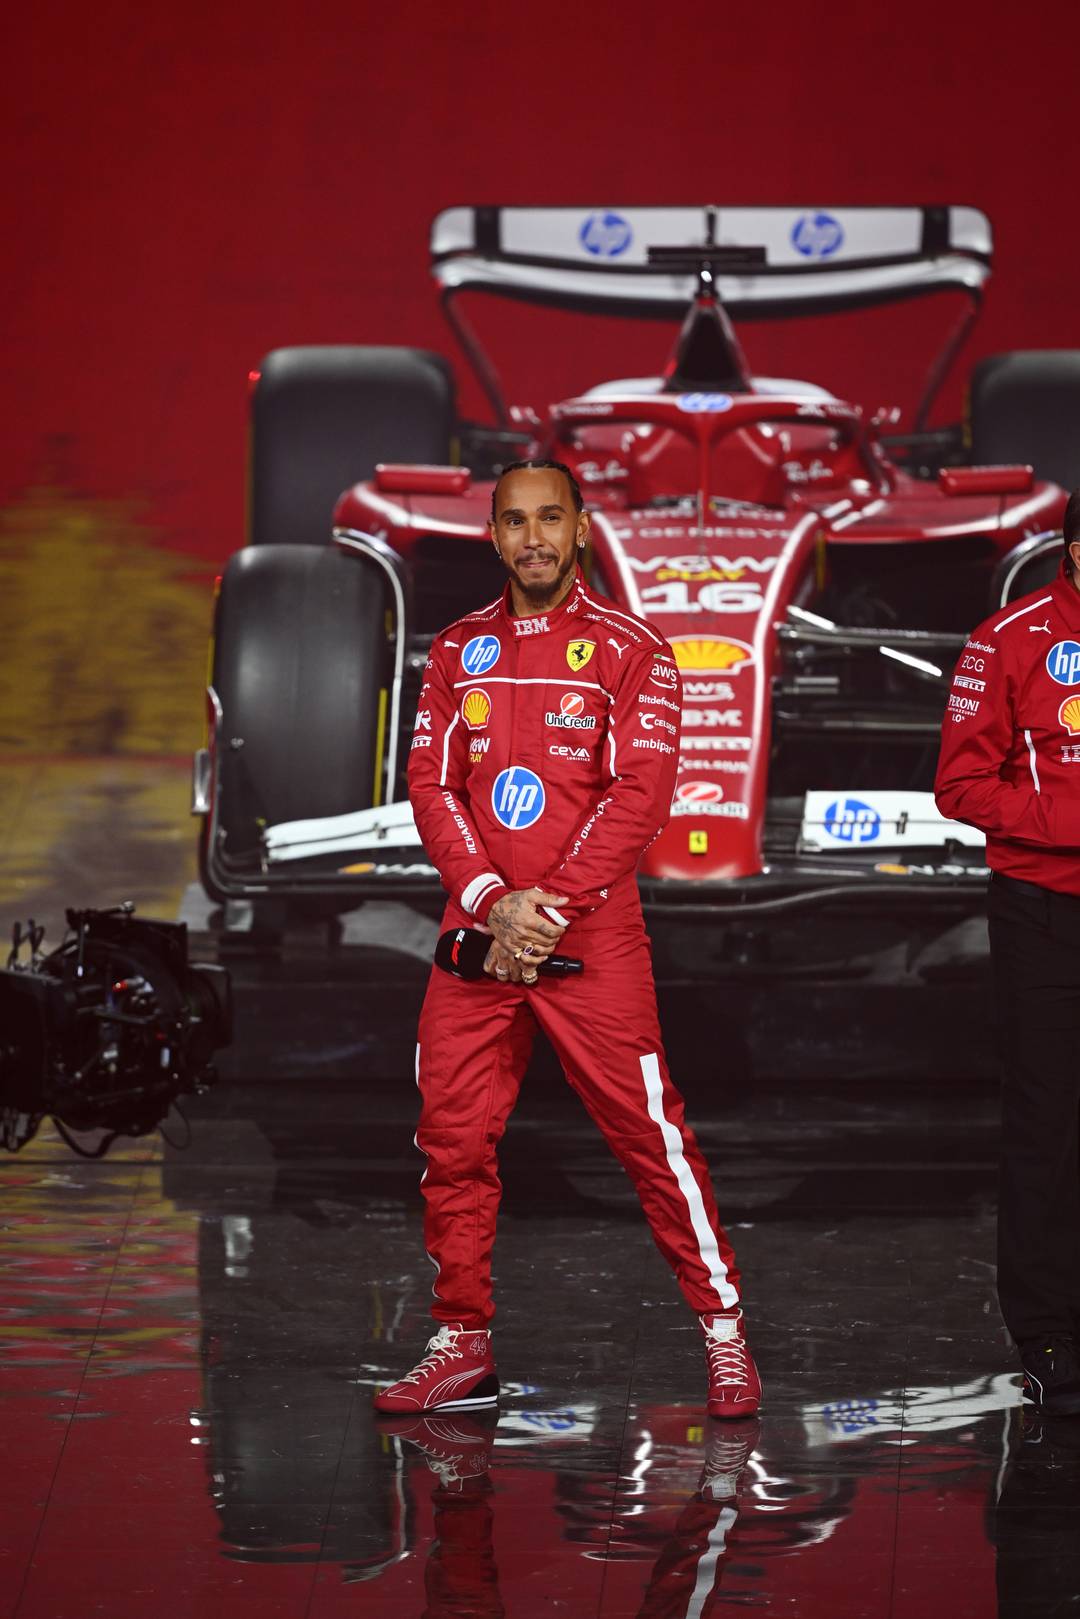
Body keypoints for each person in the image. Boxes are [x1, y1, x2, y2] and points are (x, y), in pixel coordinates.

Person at [373, 459, 760, 1419]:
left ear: (582, 528)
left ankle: (725, 1337)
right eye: (516, 521)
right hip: (478, 929)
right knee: (451, 1142)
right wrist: (493, 897)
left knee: (652, 1140)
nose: (534, 537)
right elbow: (430, 787)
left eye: (552, 518)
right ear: (494, 535)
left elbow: (642, 799)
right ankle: (462, 1343)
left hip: (590, 936)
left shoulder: (635, 650)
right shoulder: (458, 647)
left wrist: (539, 911)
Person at [935, 487, 1080, 1416]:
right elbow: (959, 784)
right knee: (1050, 1123)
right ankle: (1051, 1335)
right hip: (1046, 913)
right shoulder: (1009, 636)